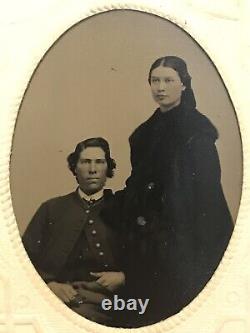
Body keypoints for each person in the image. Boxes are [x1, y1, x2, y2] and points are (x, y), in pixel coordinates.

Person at [121, 56, 234, 326]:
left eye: (168, 80)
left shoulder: (197, 132)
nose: (161, 87)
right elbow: (138, 183)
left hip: (187, 234)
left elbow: (207, 194)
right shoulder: (142, 135)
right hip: (148, 236)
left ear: (183, 85)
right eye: (155, 81)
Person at [22, 137, 125, 326]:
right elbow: (23, 260)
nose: (92, 169)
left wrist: (124, 277)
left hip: (115, 302)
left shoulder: (125, 208)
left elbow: (147, 258)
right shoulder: (51, 209)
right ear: (74, 167)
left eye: (99, 162)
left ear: (108, 168)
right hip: (60, 301)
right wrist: (49, 286)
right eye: (85, 162)